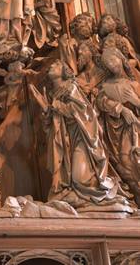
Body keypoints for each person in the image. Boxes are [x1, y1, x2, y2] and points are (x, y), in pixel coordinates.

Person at [37, 60, 131, 211]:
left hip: (83, 139)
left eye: (55, 65)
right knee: (64, 181)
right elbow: (50, 125)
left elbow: (81, 111)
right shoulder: (53, 93)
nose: (51, 66)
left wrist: (54, 106)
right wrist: (46, 111)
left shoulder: (71, 88)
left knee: (80, 179)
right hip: (64, 142)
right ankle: (75, 198)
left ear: (64, 71)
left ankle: (104, 192)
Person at [95, 47, 140, 206]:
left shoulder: (135, 84)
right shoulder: (105, 85)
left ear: (121, 58)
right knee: (125, 165)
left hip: (134, 130)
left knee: (135, 164)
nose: (111, 65)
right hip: (114, 134)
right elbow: (100, 102)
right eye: (107, 63)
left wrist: (136, 102)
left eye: (113, 60)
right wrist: (121, 109)